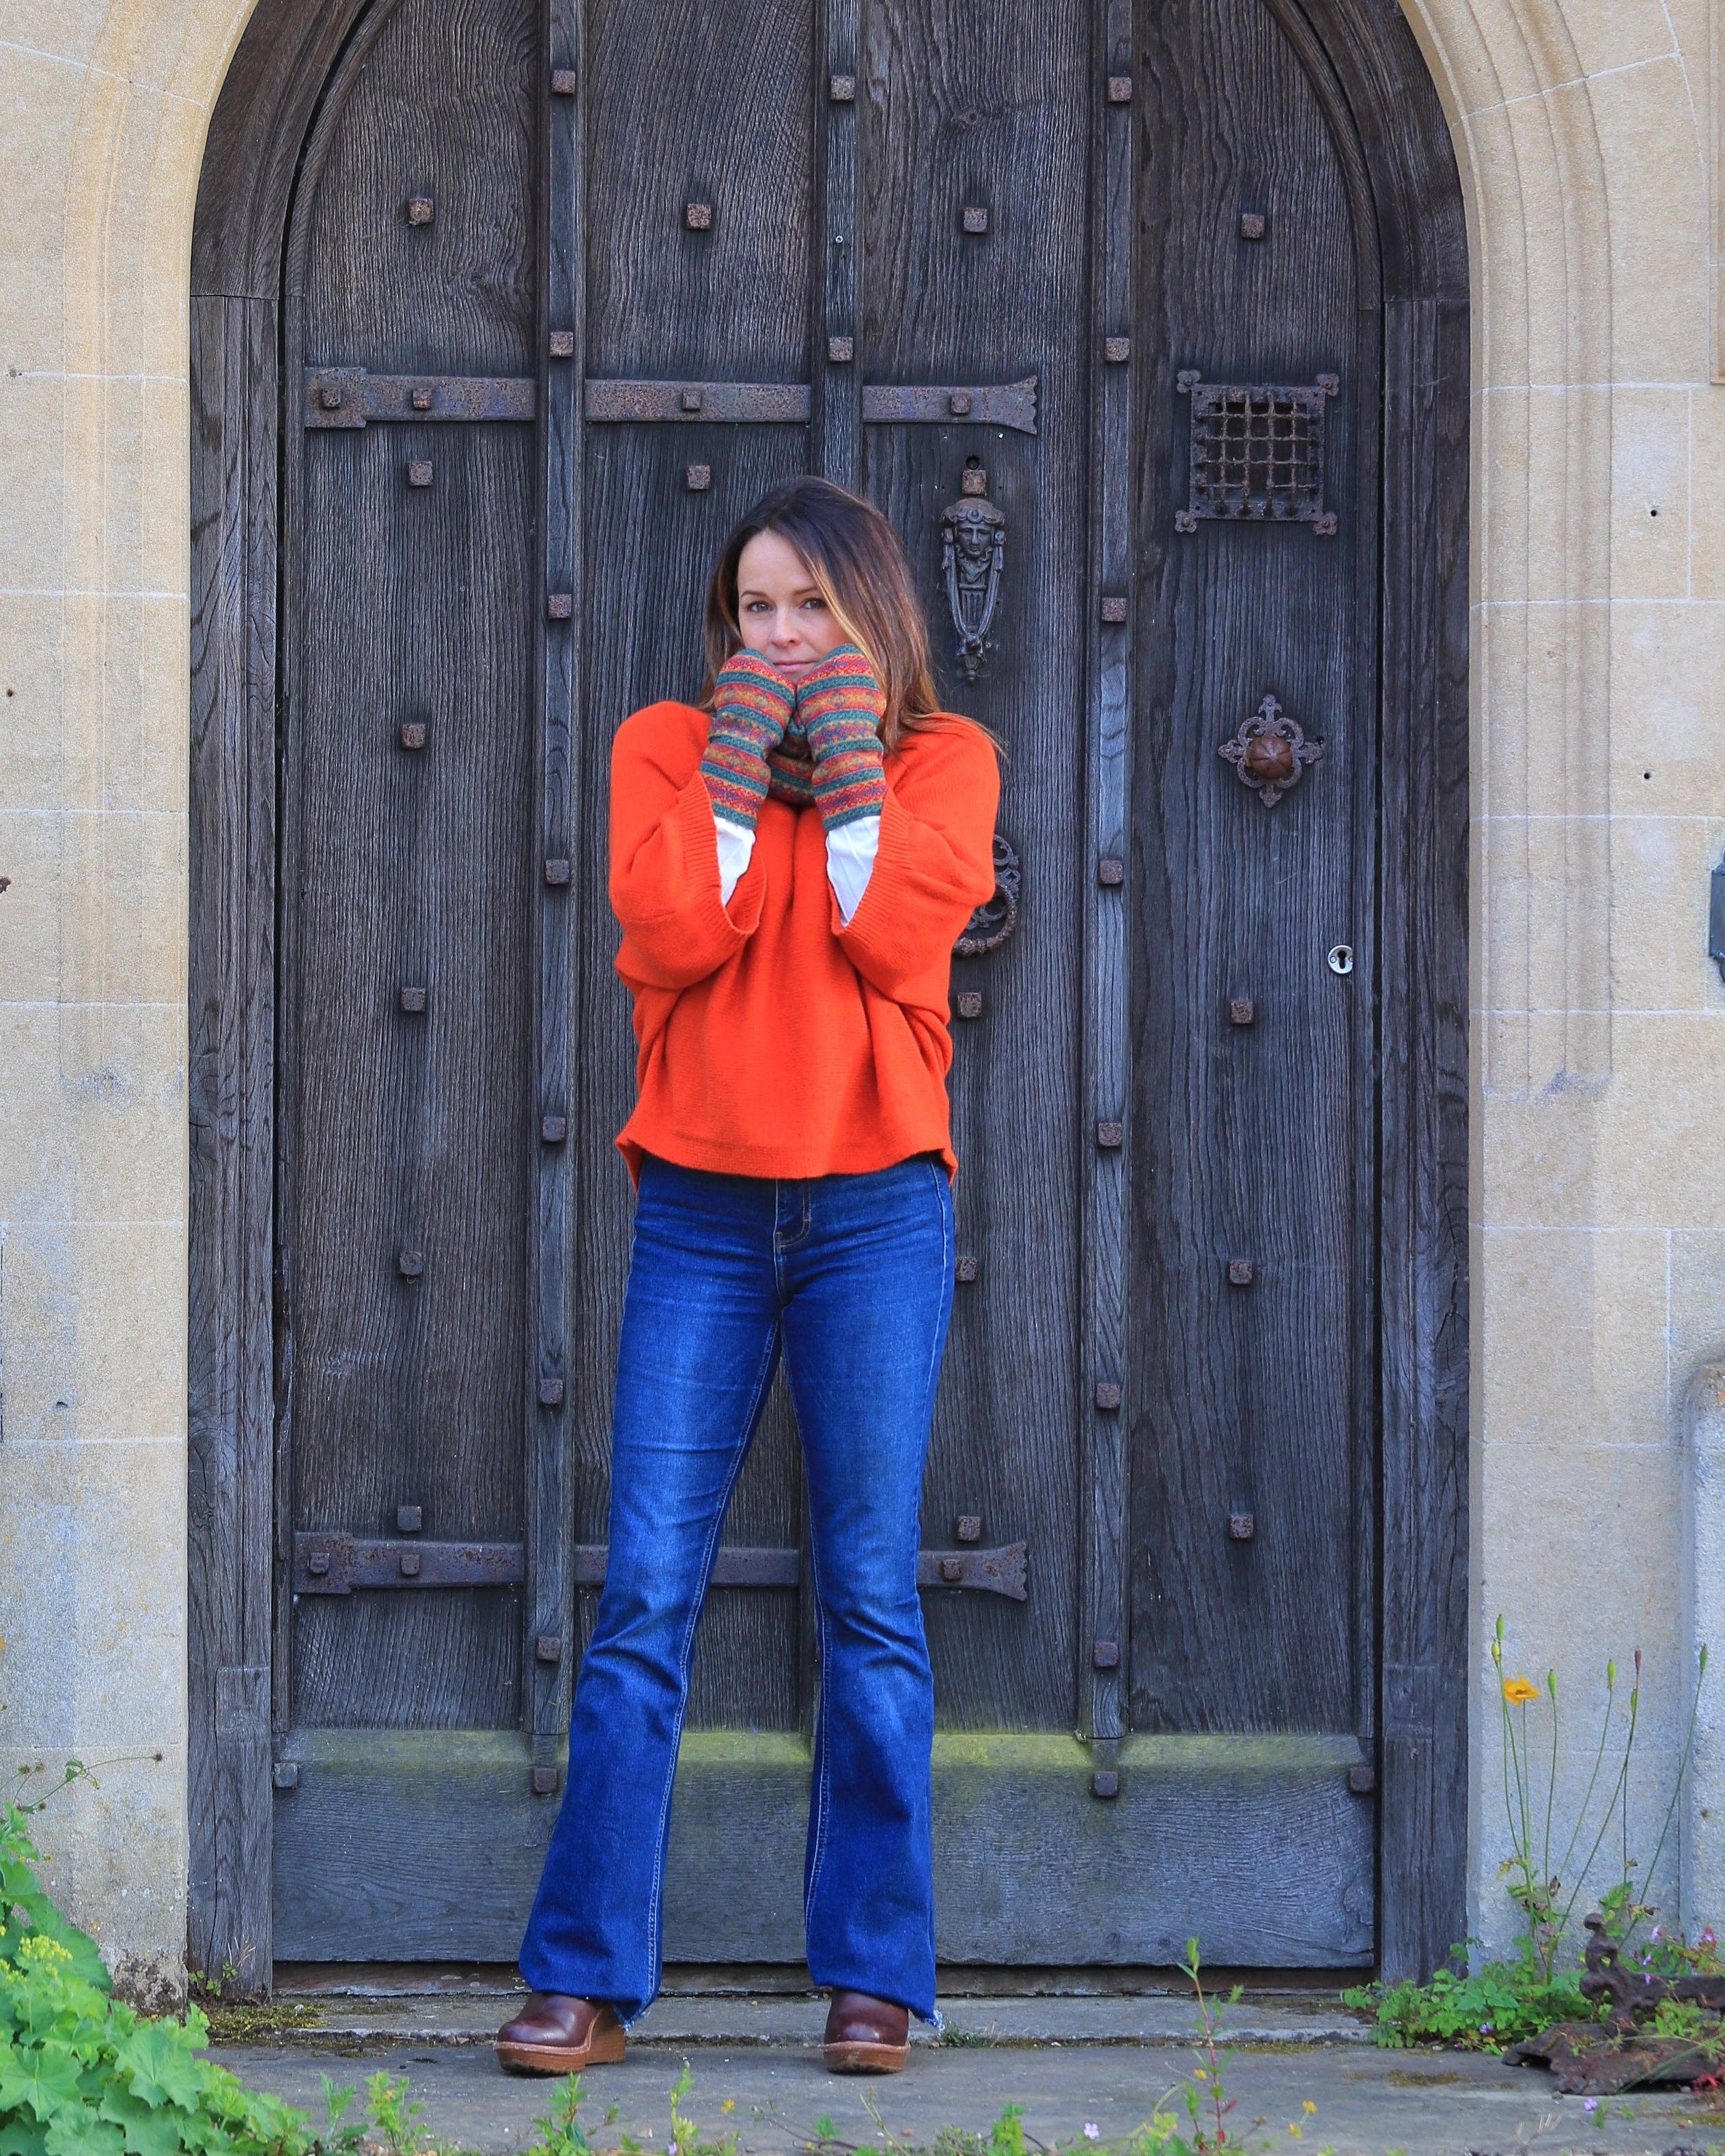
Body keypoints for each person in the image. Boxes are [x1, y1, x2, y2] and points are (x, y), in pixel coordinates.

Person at [494, 476, 1000, 2080]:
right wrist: (737, 763)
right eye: (756, 610)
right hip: (705, 1213)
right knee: (645, 1594)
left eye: (810, 612)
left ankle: (872, 1977)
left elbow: (899, 933)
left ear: (871, 625)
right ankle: (584, 1978)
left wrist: (845, 760)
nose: (777, 637)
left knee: (869, 1596)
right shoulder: (663, 746)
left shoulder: (945, 760)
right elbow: (670, 930)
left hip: (872, 1214)